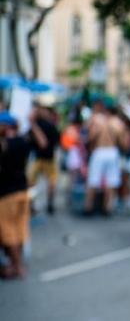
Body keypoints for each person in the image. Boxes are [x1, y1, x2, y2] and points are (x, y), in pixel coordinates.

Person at [0, 111, 47, 278]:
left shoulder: (5, 143)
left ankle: (17, 267)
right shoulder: (22, 141)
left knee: (8, 233)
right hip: (22, 192)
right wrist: (32, 124)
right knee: (19, 230)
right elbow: (43, 143)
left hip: (6, 195)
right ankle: (15, 264)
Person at [84, 102, 127, 216]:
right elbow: (122, 144)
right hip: (112, 152)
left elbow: (90, 137)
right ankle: (107, 207)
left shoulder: (97, 121)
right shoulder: (118, 123)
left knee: (93, 180)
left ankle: (89, 207)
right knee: (110, 181)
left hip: (99, 151)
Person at [27, 105, 60, 214]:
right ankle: (49, 204)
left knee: (32, 182)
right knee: (49, 182)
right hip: (46, 158)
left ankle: (31, 204)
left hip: (39, 158)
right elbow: (56, 141)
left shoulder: (34, 126)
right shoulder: (50, 125)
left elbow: (39, 143)